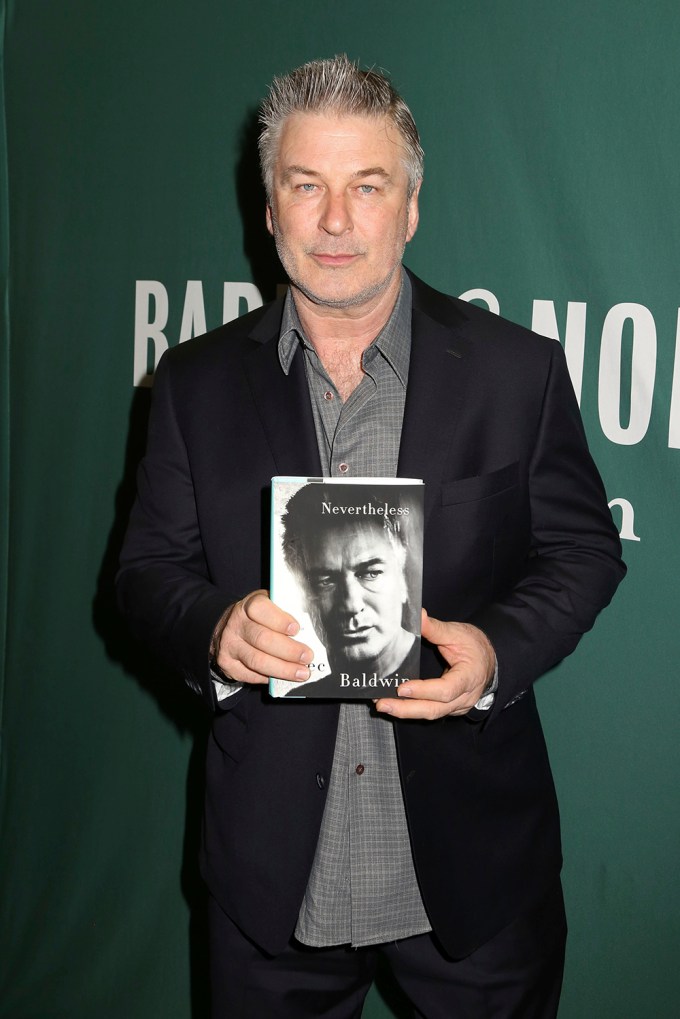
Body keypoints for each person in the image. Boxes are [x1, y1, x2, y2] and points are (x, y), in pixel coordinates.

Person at [117, 54, 625, 1018]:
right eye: (306, 186)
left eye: (368, 186)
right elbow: (146, 572)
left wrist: (496, 653)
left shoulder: (518, 374)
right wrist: (214, 632)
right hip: (270, 884)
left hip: (472, 879)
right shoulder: (191, 386)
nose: (336, 221)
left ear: (412, 208)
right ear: (269, 210)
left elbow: (585, 550)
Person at [279, 482, 421, 697]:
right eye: (325, 581)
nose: (351, 605)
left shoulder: (445, 674)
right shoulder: (298, 699)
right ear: (304, 596)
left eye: (371, 573)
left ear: (402, 577)